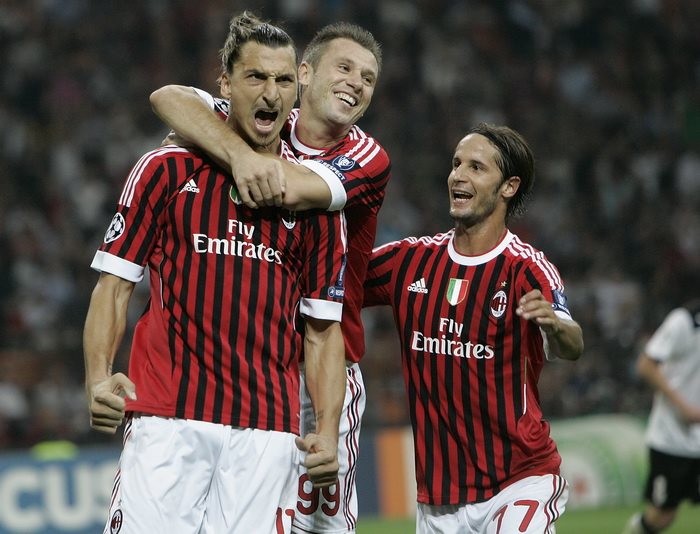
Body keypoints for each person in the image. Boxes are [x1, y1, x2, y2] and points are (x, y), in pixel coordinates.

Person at [83, 12, 347, 534]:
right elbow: (114, 286)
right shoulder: (166, 169)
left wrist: (327, 429)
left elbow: (322, 330)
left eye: (283, 80)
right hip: (168, 418)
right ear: (225, 85)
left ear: (297, 90)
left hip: (268, 431)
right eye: (256, 77)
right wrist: (97, 377)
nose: (270, 93)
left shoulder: (314, 200)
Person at [149, 22, 390, 534]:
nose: (356, 82)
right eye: (344, 67)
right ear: (304, 74)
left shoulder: (366, 157)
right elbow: (168, 98)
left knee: (318, 528)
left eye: (368, 78)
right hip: (253, 370)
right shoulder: (266, 119)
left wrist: (214, 143)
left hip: (321, 369)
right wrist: (237, 151)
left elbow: (289, 188)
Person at [363, 123, 584, 533]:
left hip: (518, 480)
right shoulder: (410, 261)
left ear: (508, 187)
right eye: (456, 164)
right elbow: (331, 282)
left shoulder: (526, 268)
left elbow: (572, 344)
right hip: (439, 500)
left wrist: (554, 324)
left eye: (476, 167)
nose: (458, 176)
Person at [622, 300, 700, 534]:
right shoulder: (685, 320)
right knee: (663, 515)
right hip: (672, 437)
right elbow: (646, 364)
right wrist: (683, 406)